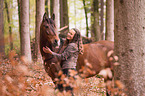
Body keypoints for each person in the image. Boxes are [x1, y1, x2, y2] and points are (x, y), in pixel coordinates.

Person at [43, 28, 83, 94]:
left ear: (74, 36)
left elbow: (63, 56)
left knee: (64, 91)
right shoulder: (71, 44)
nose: (68, 34)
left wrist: (50, 52)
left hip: (68, 71)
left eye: (71, 34)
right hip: (68, 71)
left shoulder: (71, 46)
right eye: (69, 32)